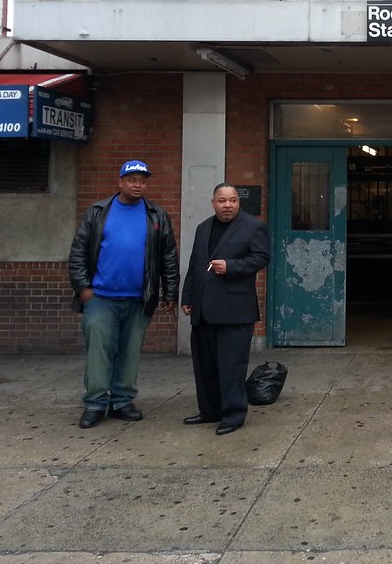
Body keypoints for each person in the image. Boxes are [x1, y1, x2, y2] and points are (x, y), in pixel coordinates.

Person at [68, 159, 179, 428]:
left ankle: (121, 401)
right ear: (120, 182)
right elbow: (78, 253)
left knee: (130, 352)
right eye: (132, 180)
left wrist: (170, 293)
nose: (137, 185)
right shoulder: (97, 212)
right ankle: (95, 403)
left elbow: (168, 257)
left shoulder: (156, 215)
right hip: (101, 298)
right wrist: (83, 288)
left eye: (142, 181)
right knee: (100, 351)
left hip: (139, 299)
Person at [181, 183, 270, 435]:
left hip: (235, 309)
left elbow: (261, 257)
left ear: (238, 202)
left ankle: (233, 415)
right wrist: (188, 296)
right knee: (205, 365)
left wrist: (231, 267)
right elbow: (195, 264)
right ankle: (209, 411)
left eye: (232, 200)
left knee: (231, 366)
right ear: (213, 203)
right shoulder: (203, 228)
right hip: (204, 309)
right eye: (222, 201)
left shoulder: (253, 226)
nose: (228, 205)